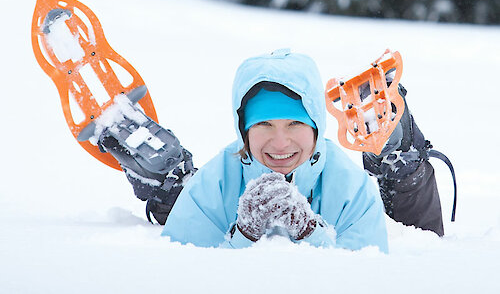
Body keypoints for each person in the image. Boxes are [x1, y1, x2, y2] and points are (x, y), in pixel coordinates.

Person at [99, 48, 449, 252]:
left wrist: (309, 232)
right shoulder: (213, 186)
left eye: (295, 124)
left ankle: (399, 159)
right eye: (264, 125)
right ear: (243, 131)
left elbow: (369, 278)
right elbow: (181, 275)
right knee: (183, 200)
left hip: (379, 206)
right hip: (211, 194)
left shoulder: (351, 191)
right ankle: (171, 183)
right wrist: (244, 234)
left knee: (417, 235)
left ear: (317, 128)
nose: (280, 143)